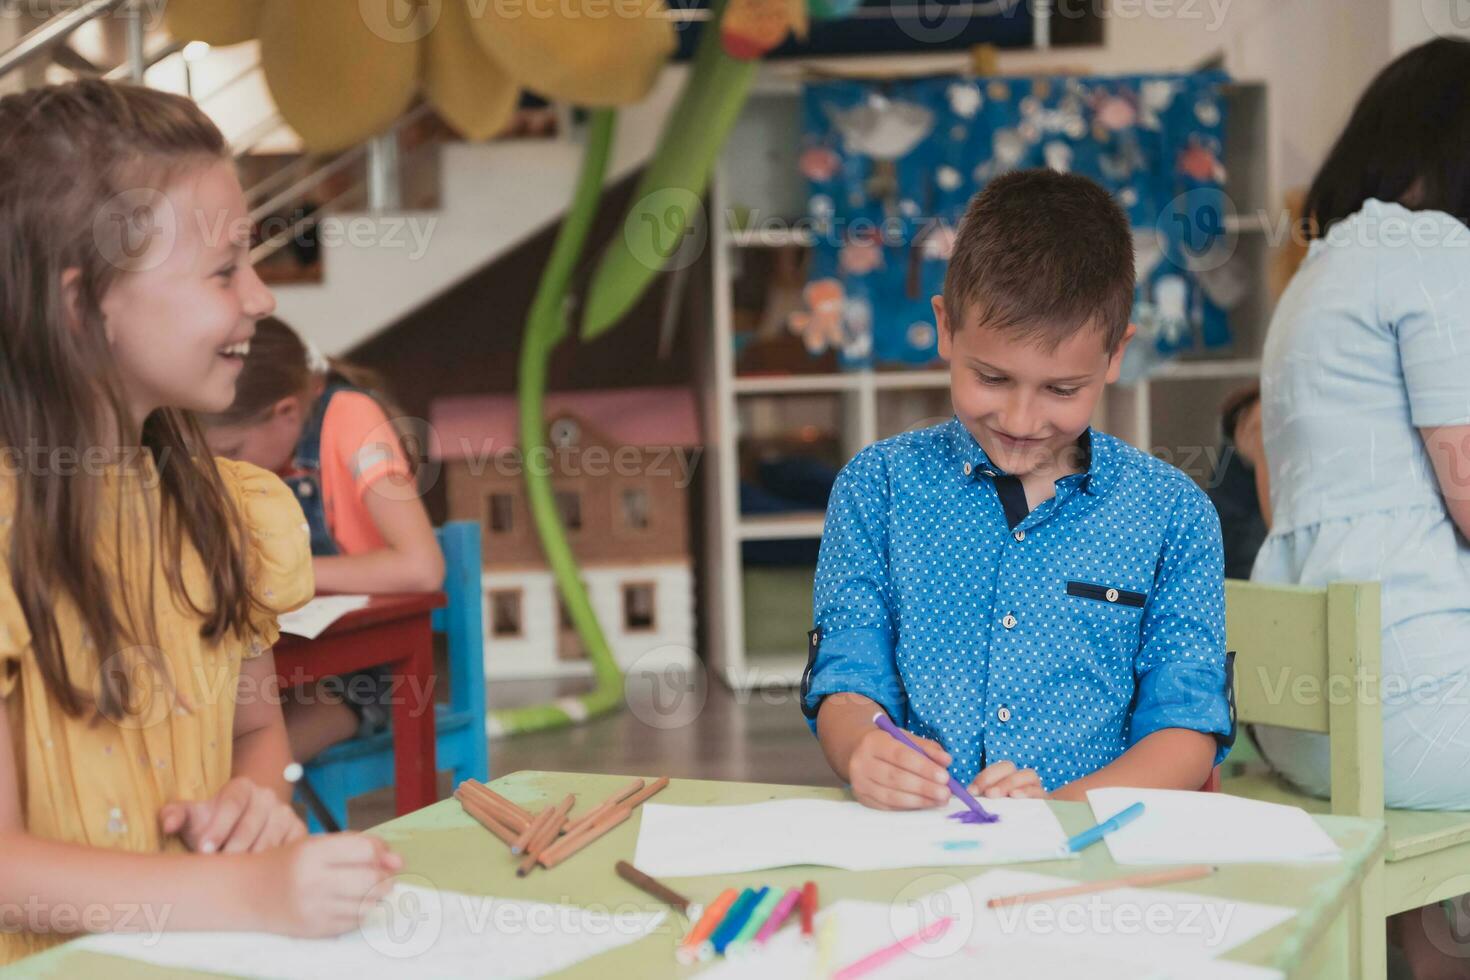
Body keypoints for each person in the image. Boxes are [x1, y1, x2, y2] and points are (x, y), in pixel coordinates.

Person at [0, 80, 401, 965]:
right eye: (224, 270)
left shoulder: (226, 510)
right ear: (81, 308)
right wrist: (248, 891)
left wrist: (255, 804)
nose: (260, 300)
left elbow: (257, 735)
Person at [802, 169, 1233, 809]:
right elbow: (847, 678)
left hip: (1093, 860)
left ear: (1116, 354)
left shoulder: (1174, 516)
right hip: (920, 850)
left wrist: (1056, 812)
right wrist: (864, 748)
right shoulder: (879, 488)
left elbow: (1187, 726)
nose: (1021, 420)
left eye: (1061, 390)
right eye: (992, 378)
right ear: (946, 328)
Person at [1249, 36, 1470, 978]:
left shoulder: (1314, 279)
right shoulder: (1431, 246)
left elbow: (1268, 477)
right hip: (1407, 710)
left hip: (1304, 721)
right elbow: (1466, 474)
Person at [200, 317, 443, 761]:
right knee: (202, 745)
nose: (223, 469)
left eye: (232, 452)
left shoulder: (352, 418)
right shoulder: (261, 458)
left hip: (373, 671)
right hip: (289, 659)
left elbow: (422, 567)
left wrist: (278, 574)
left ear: (287, 413)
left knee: (242, 765)